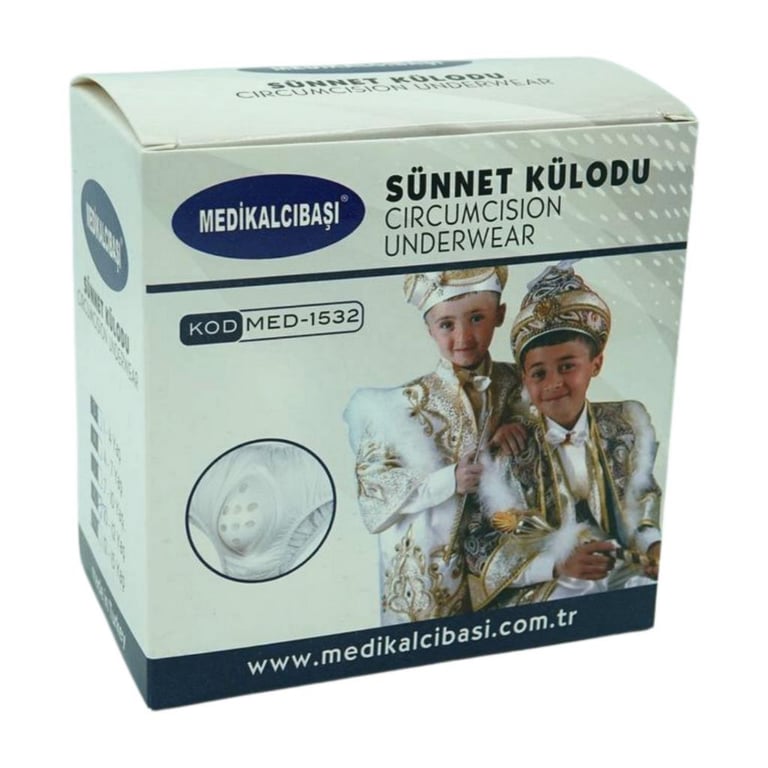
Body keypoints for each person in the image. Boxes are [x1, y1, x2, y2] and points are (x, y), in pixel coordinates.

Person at [465, 264, 662, 609]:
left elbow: (642, 497)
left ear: (596, 364)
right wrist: (555, 564)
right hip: (544, 586)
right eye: (539, 373)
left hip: (617, 564)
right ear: (525, 380)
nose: (554, 383)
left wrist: (653, 546)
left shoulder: (625, 426)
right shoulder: (511, 448)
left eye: (567, 366)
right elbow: (481, 541)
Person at [344, 267, 525, 625]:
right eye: (446, 325)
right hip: (429, 572)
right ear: (429, 329)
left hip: (504, 562)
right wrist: (448, 481)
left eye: (477, 318)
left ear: (500, 315)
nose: (464, 336)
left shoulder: (520, 382)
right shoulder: (400, 406)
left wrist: (518, 428)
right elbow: (374, 490)